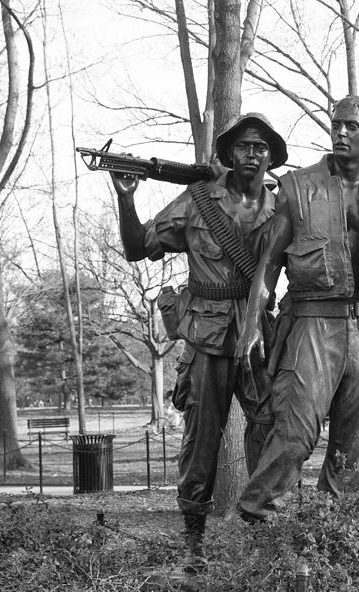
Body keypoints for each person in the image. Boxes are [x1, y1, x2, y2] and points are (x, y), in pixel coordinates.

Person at [235, 95, 359, 522]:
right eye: (336, 124)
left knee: (357, 444)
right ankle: (255, 523)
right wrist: (252, 326)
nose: (340, 132)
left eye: (351, 127)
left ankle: (334, 539)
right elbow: (269, 264)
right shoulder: (298, 187)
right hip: (312, 323)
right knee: (293, 435)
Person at [110, 113, 288, 558]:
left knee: (270, 433)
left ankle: (260, 539)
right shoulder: (197, 201)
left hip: (260, 337)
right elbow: (137, 248)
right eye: (244, 146)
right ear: (229, 154)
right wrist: (126, 200)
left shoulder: (285, 206)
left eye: (261, 147)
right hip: (207, 337)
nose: (252, 154)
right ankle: (193, 547)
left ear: (271, 158)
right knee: (200, 442)